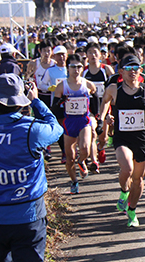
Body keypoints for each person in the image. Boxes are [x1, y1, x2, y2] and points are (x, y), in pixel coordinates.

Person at [0, 74, 62, 262]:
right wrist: (36, 101)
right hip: (28, 215)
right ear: (21, 102)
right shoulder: (31, 129)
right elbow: (56, 128)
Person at [100, 54, 145, 227]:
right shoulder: (114, 89)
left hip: (141, 139)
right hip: (122, 137)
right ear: (121, 71)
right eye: (128, 69)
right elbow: (105, 102)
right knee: (127, 167)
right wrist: (104, 118)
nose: (132, 72)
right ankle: (123, 191)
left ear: (140, 71)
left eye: (136, 69)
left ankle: (132, 210)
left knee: (138, 179)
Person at [53, 54, 98, 194]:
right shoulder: (62, 86)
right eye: (73, 67)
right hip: (69, 122)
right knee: (69, 157)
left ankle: (82, 161)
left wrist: (96, 115)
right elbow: (54, 107)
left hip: (83, 120)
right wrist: (62, 101)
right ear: (67, 68)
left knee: (84, 147)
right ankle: (74, 181)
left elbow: (96, 97)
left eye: (79, 66)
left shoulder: (87, 84)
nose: (76, 70)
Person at [83, 42, 114, 170]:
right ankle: (93, 161)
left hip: (104, 106)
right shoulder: (83, 71)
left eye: (95, 52)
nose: (93, 55)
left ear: (100, 54)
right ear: (86, 55)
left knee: (103, 137)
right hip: (89, 107)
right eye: (90, 52)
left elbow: (114, 88)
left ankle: (101, 148)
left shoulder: (106, 69)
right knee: (92, 132)